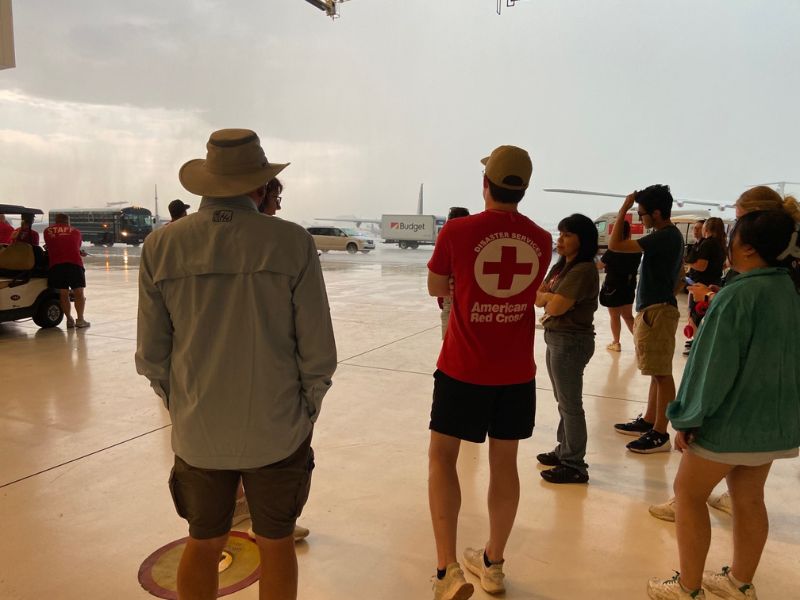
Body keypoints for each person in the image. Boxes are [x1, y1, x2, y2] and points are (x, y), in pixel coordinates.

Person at [135, 129, 337, 600]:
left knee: (203, 544)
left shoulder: (161, 247)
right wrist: (304, 410)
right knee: (277, 545)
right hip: (277, 429)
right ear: (261, 186)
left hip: (199, 432)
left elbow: (151, 356)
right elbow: (318, 352)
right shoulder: (292, 243)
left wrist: (182, 405)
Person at [646, 202, 800, 600]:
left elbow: (713, 366)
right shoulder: (787, 288)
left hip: (729, 421)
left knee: (688, 494)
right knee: (749, 499)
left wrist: (688, 417)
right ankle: (739, 583)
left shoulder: (738, 296)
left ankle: (687, 586)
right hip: (770, 422)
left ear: (747, 248)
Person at [426, 145, 552, 599]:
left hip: (462, 367)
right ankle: (493, 563)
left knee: (443, 459)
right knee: (505, 464)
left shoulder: (458, 232)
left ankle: (446, 572)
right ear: (523, 188)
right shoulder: (541, 238)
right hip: (516, 373)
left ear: (485, 184)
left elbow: (436, 286)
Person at [609, 185, 684, 454]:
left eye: (641, 214)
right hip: (657, 308)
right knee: (656, 370)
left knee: (661, 373)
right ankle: (651, 420)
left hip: (657, 311)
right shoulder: (671, 237)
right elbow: (680, 275)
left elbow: (615, 245)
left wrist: (622, 210)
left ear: (655, 212)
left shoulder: (664, 236)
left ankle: (660, 433)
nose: (640, 219)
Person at [534, 214, 599, 484]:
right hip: (556, 336)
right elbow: (538, 298)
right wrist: (551, 298)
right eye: (560, 233)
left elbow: (556, 306)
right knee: (563, 401)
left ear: (582, 241)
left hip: (571, 341)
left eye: (567, 235)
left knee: (571, 405)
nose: (560, 239)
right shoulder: (561, 266)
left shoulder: (583, 270)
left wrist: (551, 299)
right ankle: (565, 449)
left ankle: (574, 464)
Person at [684, 217, 726, 354]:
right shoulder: (720, 244)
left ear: (706, 228)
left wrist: (688, 263)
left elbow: (701, 266)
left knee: (695, 316)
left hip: (701, 285)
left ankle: (697, 347)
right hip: (713, 282)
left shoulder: (708, 244)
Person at [598, 220, 641, 352]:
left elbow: (599, 266)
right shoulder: (636, 249)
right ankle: (640, 343)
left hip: (613, 286)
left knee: (614, 316)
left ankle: (616, 343)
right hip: (629, 285)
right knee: (628, 316)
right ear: (629, 232)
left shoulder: (613, 250)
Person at [43, 214, 90, 328]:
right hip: (74, 264)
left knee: (63, 294)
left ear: (56, 221)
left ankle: (69, 319)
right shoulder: (76, 231)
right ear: (67, 221)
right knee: (79, 293)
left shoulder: (47, 231)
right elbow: (75, 247)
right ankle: (80, 320)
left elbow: (50, 246)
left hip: (56, 265)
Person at [439, 206, 470, 339]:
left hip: (452, 300)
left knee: (450, 346)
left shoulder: (447, 240)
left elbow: (436, 285)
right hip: (471, 301)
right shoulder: (473, 241)